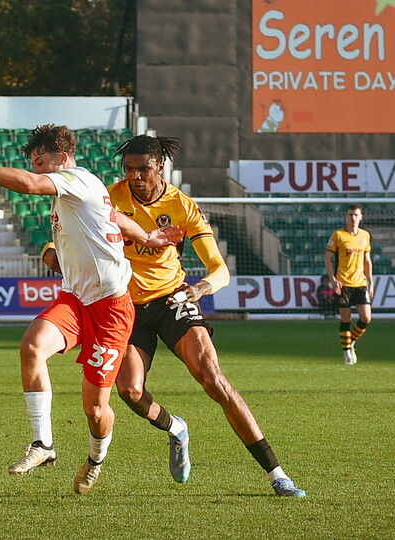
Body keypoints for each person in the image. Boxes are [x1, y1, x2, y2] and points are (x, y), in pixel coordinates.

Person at [40, 135, 306, 497]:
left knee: (213, 378)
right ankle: (176, 428)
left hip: (172, 300)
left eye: (143, 169)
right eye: (129, 169)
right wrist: (50, 254)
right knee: (131, 391)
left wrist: (200, 288)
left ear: (160, 167)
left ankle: (276, 473)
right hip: (125, 307)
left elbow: (220, 270)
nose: (135, 176)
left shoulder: (183, 206)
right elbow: (60, 236)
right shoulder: (107, 195)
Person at [0, 125, 182, 495]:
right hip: (75, 298)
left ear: (62, 158)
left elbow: (31, 185)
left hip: (111, 308)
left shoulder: (74, 180)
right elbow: (115, 217)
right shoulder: (82, 190)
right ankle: (43, 445)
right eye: (33, 163)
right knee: (32, 347)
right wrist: (146, 236)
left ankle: (95, 460)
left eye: (40, 161)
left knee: (95, 409)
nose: (36, 168)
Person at [325, 205, 373, 365]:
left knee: (366, 317)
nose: (353, 218)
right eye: (350, 215)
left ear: (361, 217)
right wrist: (332, 279)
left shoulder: (365, 236)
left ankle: (350, 342)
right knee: (346, 317)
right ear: (347, 216)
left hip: (360, 283)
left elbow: (367, 260)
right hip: (343, 283)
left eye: (356, 215)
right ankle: (347, 353)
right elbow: (328, 259)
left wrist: (370, 281)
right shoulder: (338, 235)